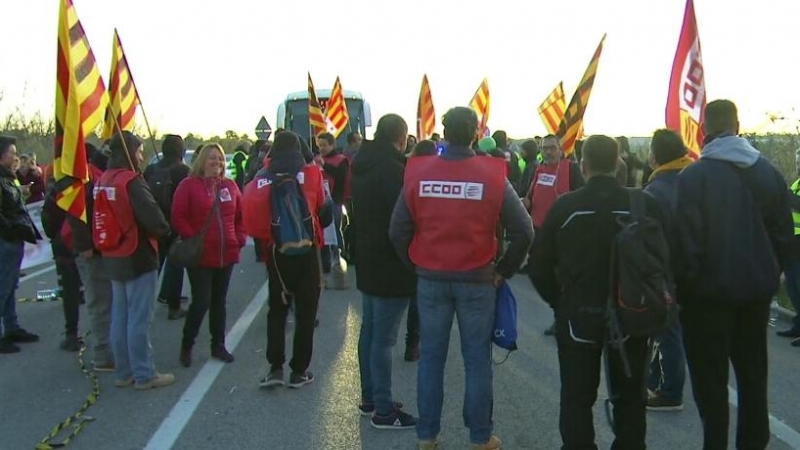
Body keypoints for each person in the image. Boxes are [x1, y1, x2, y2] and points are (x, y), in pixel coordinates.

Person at [390, 107, 533, 450]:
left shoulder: (418, 171)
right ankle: (480, 437)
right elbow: (524, 230)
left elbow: (397, 230)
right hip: (478, 278)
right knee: (477, 361)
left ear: (445, 131)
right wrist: (504, 271)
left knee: (432, 359)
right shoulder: (493, 174)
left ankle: (427, 435)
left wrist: (416, 265)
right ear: (474, 134)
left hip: (432, 278)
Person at [675, 100, 794, 449]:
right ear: (738, 127)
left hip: (706, 300)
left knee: (711, 387)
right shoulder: (768, 173)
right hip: (755, 296)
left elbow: (685, 244)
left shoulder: (693, 176)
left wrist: (684, 293)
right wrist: (772, 277)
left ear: (702, 132)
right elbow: (785, 237)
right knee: (753, 379)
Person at [531, 135, 663, 450]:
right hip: (633, 312)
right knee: (631, 397)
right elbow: (667, 260)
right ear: (618, 162)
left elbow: (538, 266)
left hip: (578, 314)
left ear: (583, 164)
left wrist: (560, 302)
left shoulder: (566, 206)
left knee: (576, 397)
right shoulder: (644, 203)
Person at [247, 131, 329, 389]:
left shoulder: (263, 175)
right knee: (306, 313)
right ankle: (299, 371)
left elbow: (253, 218)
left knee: (277, 310)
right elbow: (324, 213)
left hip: (276, 252)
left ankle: (275, 368)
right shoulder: (313, 172)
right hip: (308, 250)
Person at [352, 114, 418, 429]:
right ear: (402, 139)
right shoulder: (392, 170)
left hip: (367, 258)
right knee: (384, 339)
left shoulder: (362, 163)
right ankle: (383, 410)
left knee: (371, 332)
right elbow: (402, 220)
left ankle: (371, 398)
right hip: (391, 263)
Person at [95, 131, 174, 390]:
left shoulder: (103, 179)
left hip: (113, 254)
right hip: (137, 254)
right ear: (130, 152)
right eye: (140, 152)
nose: (142, 157)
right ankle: (144, 373)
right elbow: (153, 218)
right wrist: (165, 230)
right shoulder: (131, 181)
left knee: (120, 316)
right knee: (139, 318)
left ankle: (124, 371)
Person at [172, 143, 245, 367]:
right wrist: (194, 238)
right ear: (202, 161)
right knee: (202, 301)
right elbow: (178, 215)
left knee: (219, 302)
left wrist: (239, 238)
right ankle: (187, 344)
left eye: (221, 159)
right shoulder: (188, 185)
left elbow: (241, 216)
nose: (218, 163)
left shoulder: (230, 186)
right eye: (213, 158)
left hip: (227, 253)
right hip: (201, 255)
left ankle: (218, 345)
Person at [643, 129, 693, 411]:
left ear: (656, 155)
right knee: (671, 330)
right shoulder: (694, 181)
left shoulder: (656, 190)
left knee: (667, 331)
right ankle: (655, 378)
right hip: (694, 268)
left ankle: (671, 392)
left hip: (667, 271)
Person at [524, 134, 583, 336]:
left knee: (563, 278)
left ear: (560, 149)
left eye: (551, 147)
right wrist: (526, 202)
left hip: (565, 232)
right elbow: (531, 194)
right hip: (540, 231)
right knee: (540, 274)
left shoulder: (571, 169)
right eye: (544, 148)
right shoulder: (538, 169)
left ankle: (563, 319)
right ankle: (559, 312)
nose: (547, 151)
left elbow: (581, 196)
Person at [0, 136, 41, 354]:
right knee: (3, 286)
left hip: (13, 239)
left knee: (10, 285)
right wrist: (10, 231)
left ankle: (12, 327)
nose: (16, 157)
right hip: (5, 239)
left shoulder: (9, 177)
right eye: (12, 153)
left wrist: (22, 192)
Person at [143, 134, 190, 319]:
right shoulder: (183, 170)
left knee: (153, 267)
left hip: (153, 224)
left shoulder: (151, 169)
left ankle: (144, 303)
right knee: (176, 265)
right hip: (175, 224)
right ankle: (173, 305)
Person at [777, 147, 800, 343]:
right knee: (793, 286)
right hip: (792, 242)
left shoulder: (792, 189)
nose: (798, 165)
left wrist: (787, 196)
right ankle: (798, 325)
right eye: (798, 161)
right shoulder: (796, 183)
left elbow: (795, 203)